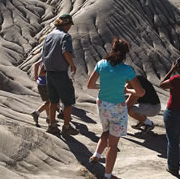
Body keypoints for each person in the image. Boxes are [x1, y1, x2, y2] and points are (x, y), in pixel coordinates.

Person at [87, 38, 145, 179]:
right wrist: (127, 90)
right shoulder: (127, 70)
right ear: (126, 53)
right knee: (113, 145)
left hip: (102, 104)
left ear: (112, 48)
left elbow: (90, 85)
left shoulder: (101, 64)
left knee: (105, 131)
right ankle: (107, 175)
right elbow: (141, 92)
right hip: (118, 107)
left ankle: (96, 155)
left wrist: (105, 86)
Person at [41, 13, 79, 136]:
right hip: (61, 74)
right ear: (67, 24)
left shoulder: (48, 36)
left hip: (50, 73)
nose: (70, 28)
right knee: (68, 102)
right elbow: (66, 52)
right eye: (69, 25)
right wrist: (72, 65)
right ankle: (66, 127)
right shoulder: (65, 36)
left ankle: (52, 125)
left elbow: (43, 54)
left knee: (53, 101)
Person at [30, 59, 50, 127]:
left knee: (48, 102)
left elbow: (36, 65)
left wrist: (36, 77)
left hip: (42, 83)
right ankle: (36, 113)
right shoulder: (48, 60)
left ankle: (49, 118)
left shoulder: (45, 57)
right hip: (45, 84)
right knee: (51, 102)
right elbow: (41, 73)